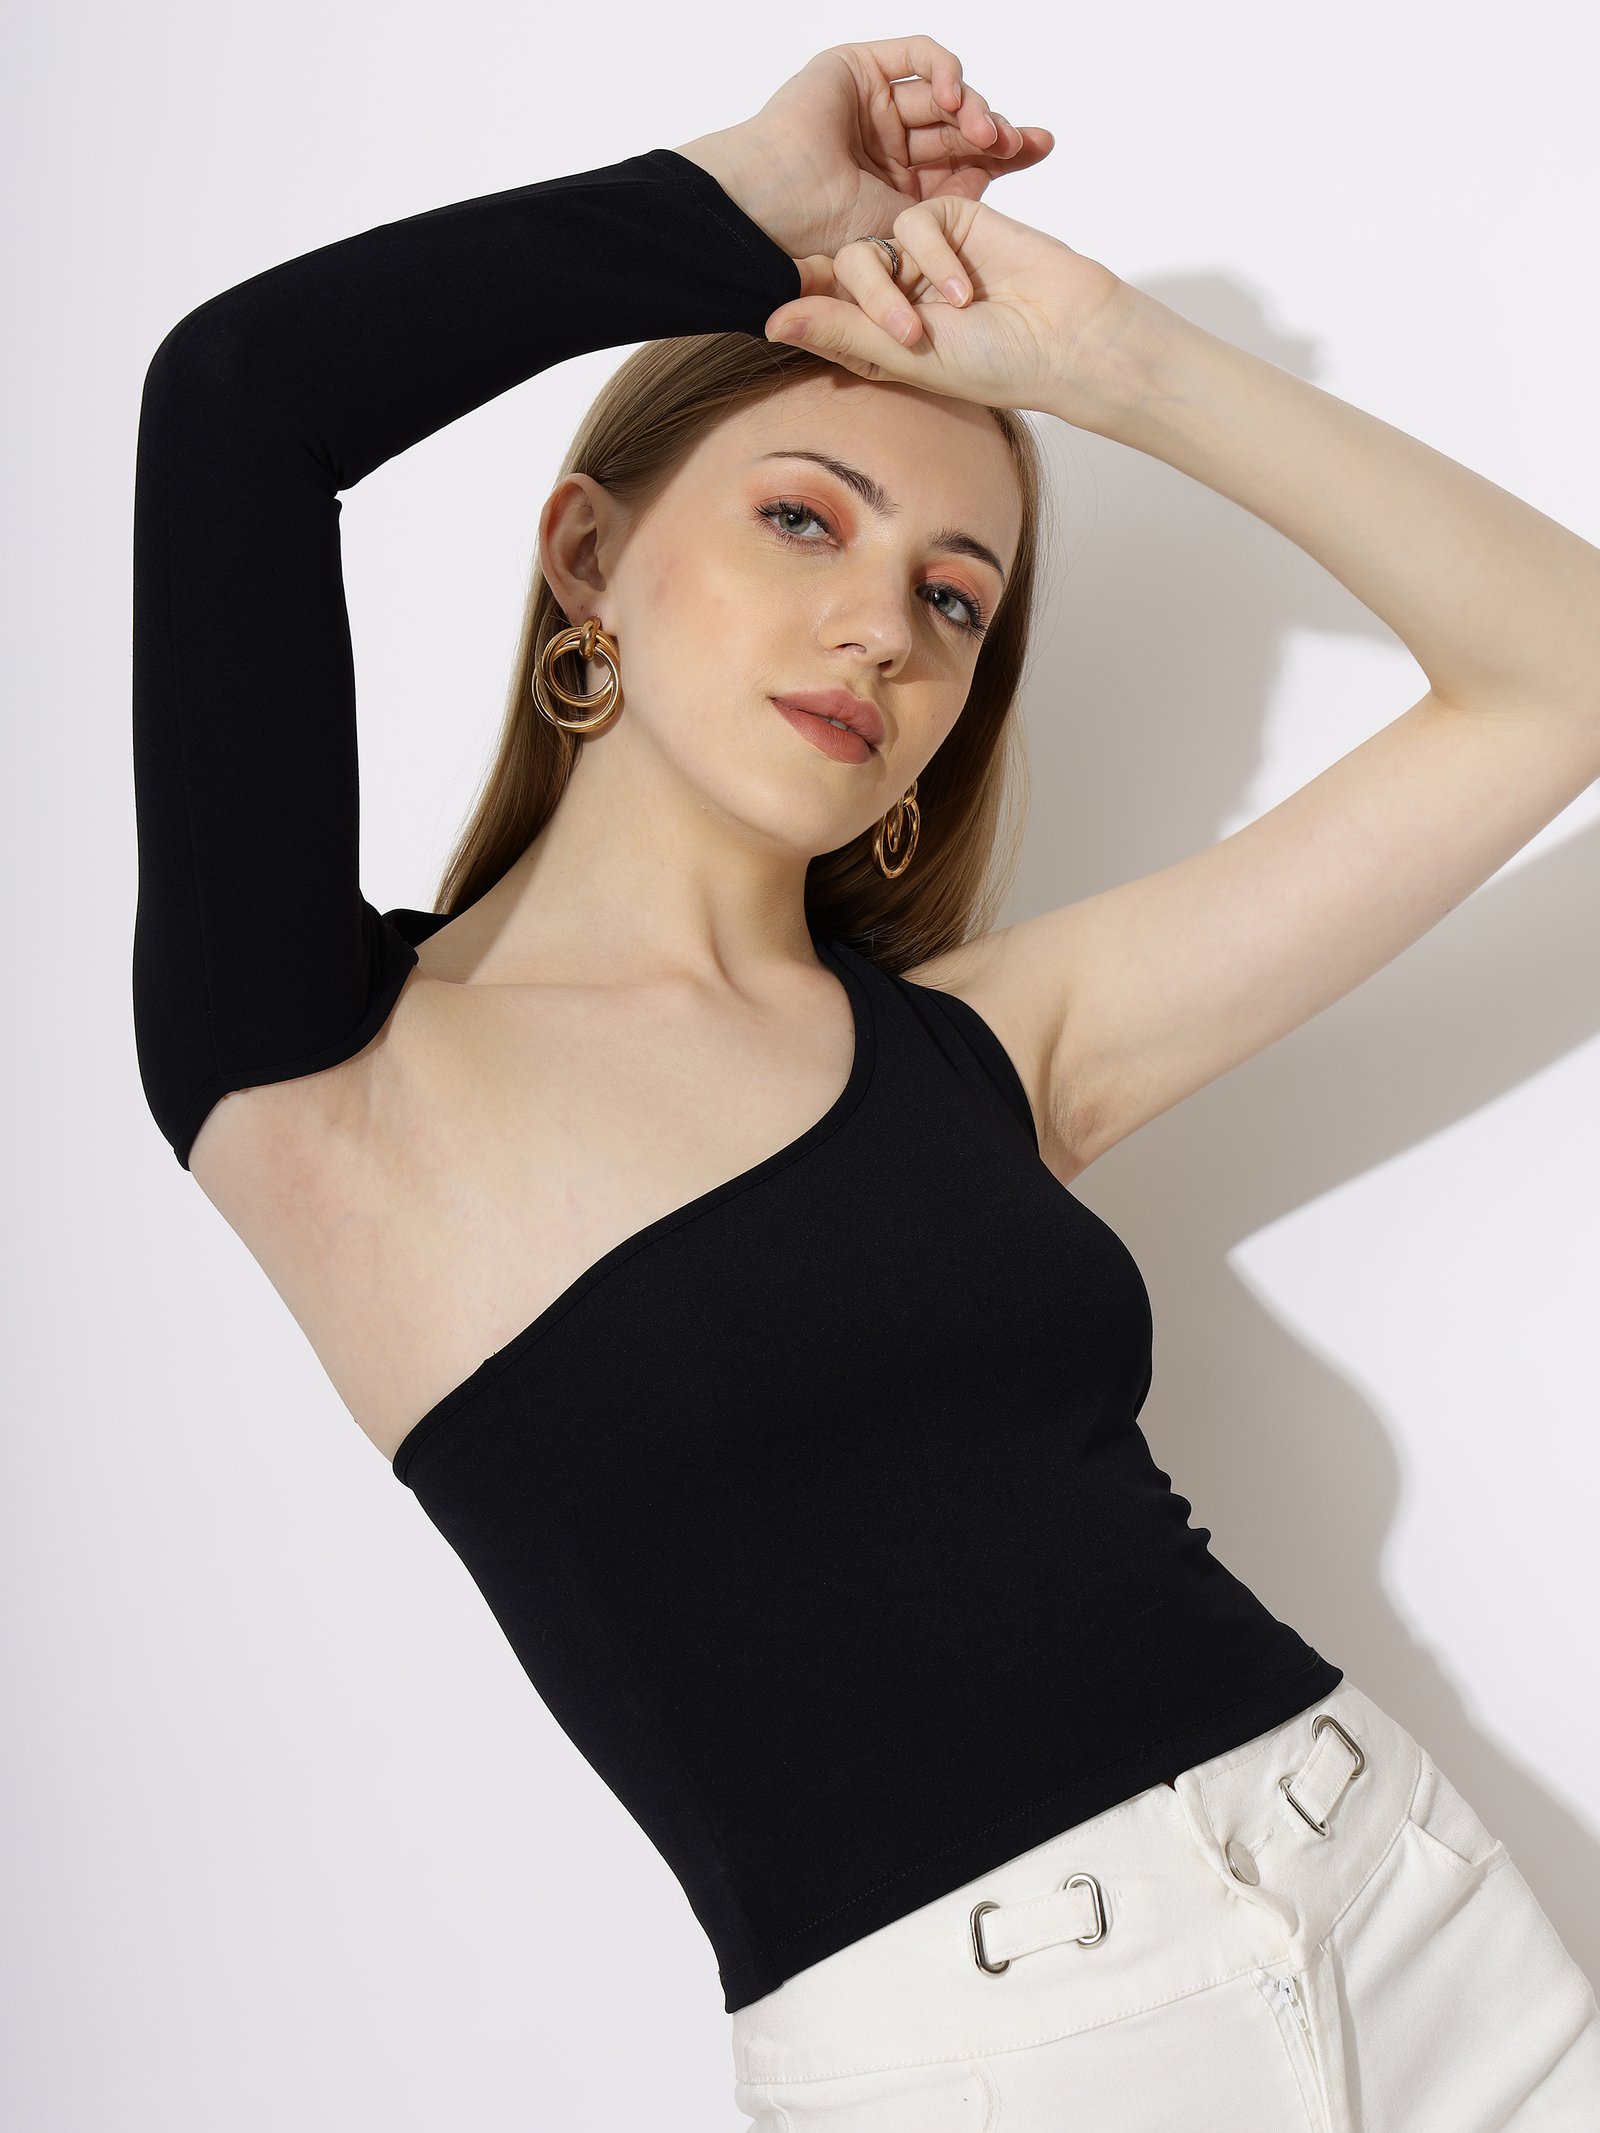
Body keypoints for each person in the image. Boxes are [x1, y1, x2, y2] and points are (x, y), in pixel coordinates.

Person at [131, 34, 1600, 2130]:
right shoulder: (317, 1064)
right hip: (988, 2065)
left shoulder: (983, 1049)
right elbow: (237, 404)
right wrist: (739, 203)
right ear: (585, 560)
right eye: (801, 516)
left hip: (1412, 1919)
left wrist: (1112, 365)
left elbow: (1561, 674)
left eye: (951, 594)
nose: (881, 629)